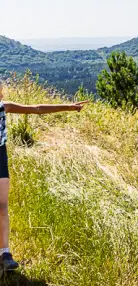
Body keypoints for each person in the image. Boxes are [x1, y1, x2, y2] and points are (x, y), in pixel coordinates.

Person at [0, 84, 88, 272]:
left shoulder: (3, 106)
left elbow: (37, 109)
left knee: (2, 205)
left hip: (0, 155)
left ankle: (5, 254)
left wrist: (69, 106)